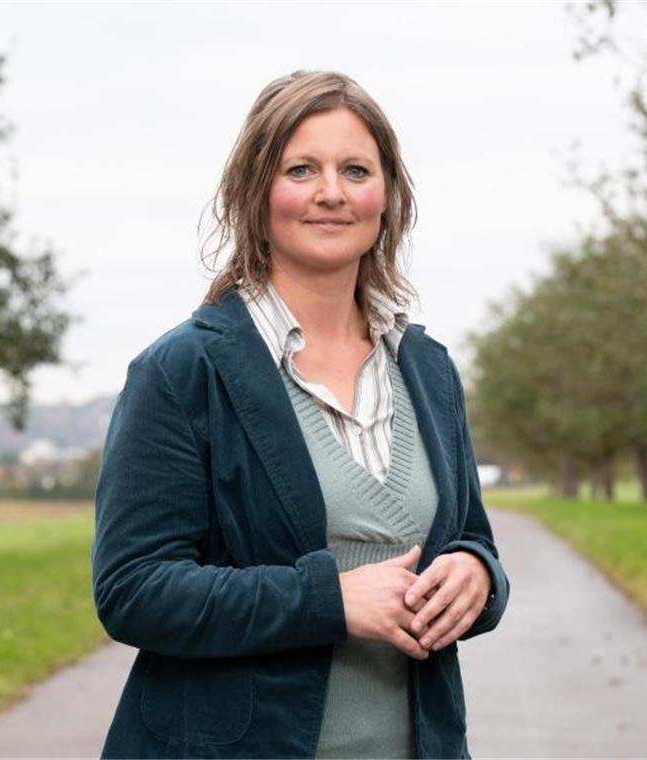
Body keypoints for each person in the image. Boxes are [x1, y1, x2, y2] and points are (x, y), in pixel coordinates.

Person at [91, 70, 510, 759]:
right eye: (301, 169)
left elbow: (470, 536)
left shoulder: (427, 368)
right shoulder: (181, 373)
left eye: (355, 170)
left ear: (387, 197)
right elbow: (133, 589)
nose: (331, 193)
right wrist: (329, 603)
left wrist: (478, 574)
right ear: (256, 193)